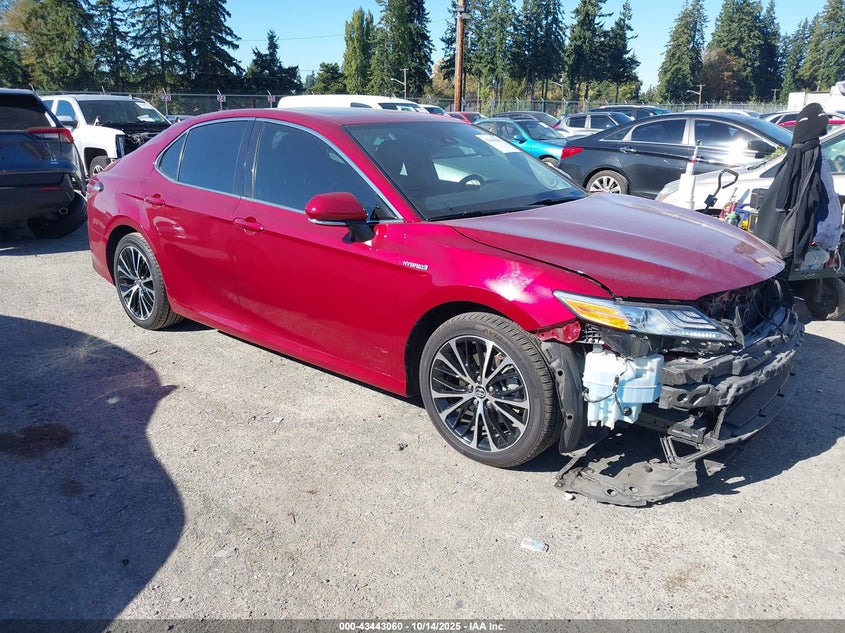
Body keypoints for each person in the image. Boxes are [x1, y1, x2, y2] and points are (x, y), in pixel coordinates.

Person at [755, 102, 843, 270]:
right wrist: (830, 243)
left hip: (772, 240)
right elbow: (829, 200)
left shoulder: (792, 156)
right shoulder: (815, 157)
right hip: (798, 244)